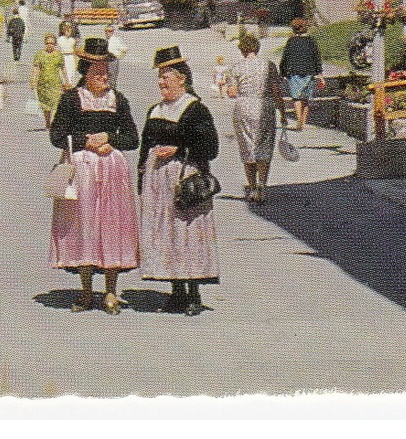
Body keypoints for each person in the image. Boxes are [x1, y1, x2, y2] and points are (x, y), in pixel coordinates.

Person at [48, 35, 139, 315]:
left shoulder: (118, 100)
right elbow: (56, 135)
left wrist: (111, 138)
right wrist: (83, 141)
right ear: (85, 72)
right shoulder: (71, 99)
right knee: (83, 225)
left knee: (112, 226)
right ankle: (87, 291)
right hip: (82, 172)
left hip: (111, 171)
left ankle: (111, 291)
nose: (103, 76)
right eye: (97, 71)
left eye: (106, 71)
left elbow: (133, 138)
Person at [137, 46, 220, 315]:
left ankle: (194, 292)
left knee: (188, 234)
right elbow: (144, 147)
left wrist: (179, 149)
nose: (162, 82)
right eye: (160, 76)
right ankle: (176, 292)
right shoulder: (154, 110)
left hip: (186, 180)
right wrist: (142, 182)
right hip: (157, 183)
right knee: (166, 234)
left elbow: (211, 148)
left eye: (167, 76)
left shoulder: (196, 109)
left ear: (182, 78)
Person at [227, 32, 287, 204]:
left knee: (247, 147)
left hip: (244, 106)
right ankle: (262, 185)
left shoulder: (236, 67)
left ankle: (252, 187)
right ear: (257, 48)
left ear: (242, 50)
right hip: (265, 105)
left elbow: (232, 93)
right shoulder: (269, 65)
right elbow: (276, 92)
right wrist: (282, 112)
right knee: (265, 145)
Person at [279, 17, 325, 131]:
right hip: (309, 72)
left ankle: (298, 118)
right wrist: (320, 74)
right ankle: (303, 122)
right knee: (306, 99)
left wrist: (282, 73)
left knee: (296, 98)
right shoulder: (311, 41)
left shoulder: (290, 42)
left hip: (293, 73)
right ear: (305, 28)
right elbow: (317, 58)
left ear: (294, 29)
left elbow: (285, 58)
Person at [30, 33, 66, 127]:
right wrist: (33, 80)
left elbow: (62, 68)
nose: (50, 45)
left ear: (55, 44)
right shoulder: (40, 54)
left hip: (56, 83)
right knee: (46, 106)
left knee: (56, 103)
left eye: (52, 43)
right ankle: (47, 122)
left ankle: (53, 122)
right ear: (45, 43)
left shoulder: (58, 54)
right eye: (47, 43)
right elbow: (36, 68)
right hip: (43, 84)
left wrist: (66, 81)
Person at [54, 19, 81, 90]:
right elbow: (56, 51)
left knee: (71, 76)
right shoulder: (59, 39)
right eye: (66, 27)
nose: (68, 29)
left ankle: (69, 90)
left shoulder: (73, 40)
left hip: (71, 59)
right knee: (63, 76)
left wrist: (76, 62)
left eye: (69, 28)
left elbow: (75, 52)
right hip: (63, 58)